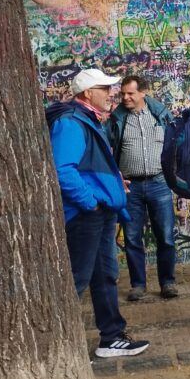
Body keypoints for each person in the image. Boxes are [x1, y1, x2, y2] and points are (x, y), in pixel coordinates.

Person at [49, 68, 151, 359]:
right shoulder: (71, 123)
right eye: (104, 89)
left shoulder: (88, 120)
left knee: (104, 275)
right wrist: (90, 201)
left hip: (100, 213)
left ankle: (112, 337)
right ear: (87, 94)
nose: (111, 94)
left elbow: (89, 167)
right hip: (86, 216)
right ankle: (59, 348)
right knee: (78, 279)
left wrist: (114, 183)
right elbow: (63, 171)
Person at [108, 74, 178, 301]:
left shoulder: (161, 116)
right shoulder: (117, 119)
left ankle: (167, 282)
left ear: (143, 93)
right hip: (130, 187)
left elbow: (175, 143)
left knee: (166, 236)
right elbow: (104, 148)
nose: (125, 97)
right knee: (132, 238)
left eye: (130, 93)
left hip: (159, 183)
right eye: (123, 93)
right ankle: (138, 285)